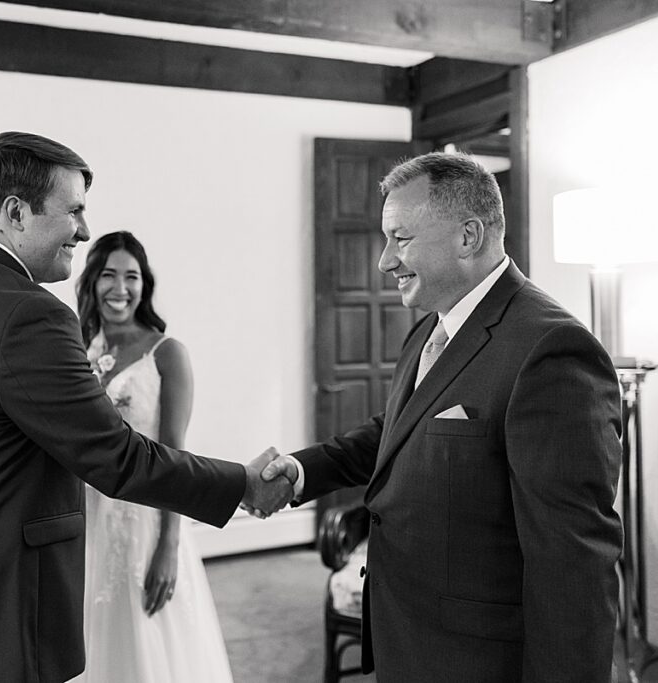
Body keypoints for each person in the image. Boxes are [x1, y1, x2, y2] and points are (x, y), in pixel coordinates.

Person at [0, 132, 291, 683]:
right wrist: (242, 484)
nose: (84, 231)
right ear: (16, 212)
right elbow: (117, 457)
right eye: (74, 211)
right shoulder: (28, 314)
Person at [259, 152, 624, 682]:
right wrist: (302, 470)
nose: (384, 261)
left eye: (400, 239)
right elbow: (397, 432)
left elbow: (573, 565)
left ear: (468, 237)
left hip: (476, 660)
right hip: (407, 637)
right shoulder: (430, 328)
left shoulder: (552, 350)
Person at [72, 231, 234, 682]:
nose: (120, 288)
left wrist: (168, 545)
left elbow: (175, 456)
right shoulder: (77, 348)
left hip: (146, 522)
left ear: (145, 285)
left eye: (131, 276)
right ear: (91, 282)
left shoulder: (168, 354)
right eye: (108, 275)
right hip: (86, 518)